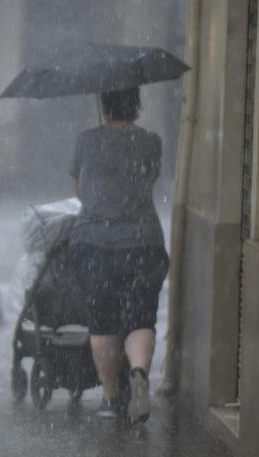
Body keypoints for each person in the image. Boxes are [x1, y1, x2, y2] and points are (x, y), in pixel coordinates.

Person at [68, 87, 169, 423]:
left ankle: (110, 398)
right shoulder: (151, 140)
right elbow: (150, 180)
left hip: (95, 242)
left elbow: (79, 189)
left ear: (104, 104)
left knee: (103, 321)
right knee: (142, 317)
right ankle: (139, 372)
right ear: (135, 105)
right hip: (143, 243)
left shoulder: (86, 140)